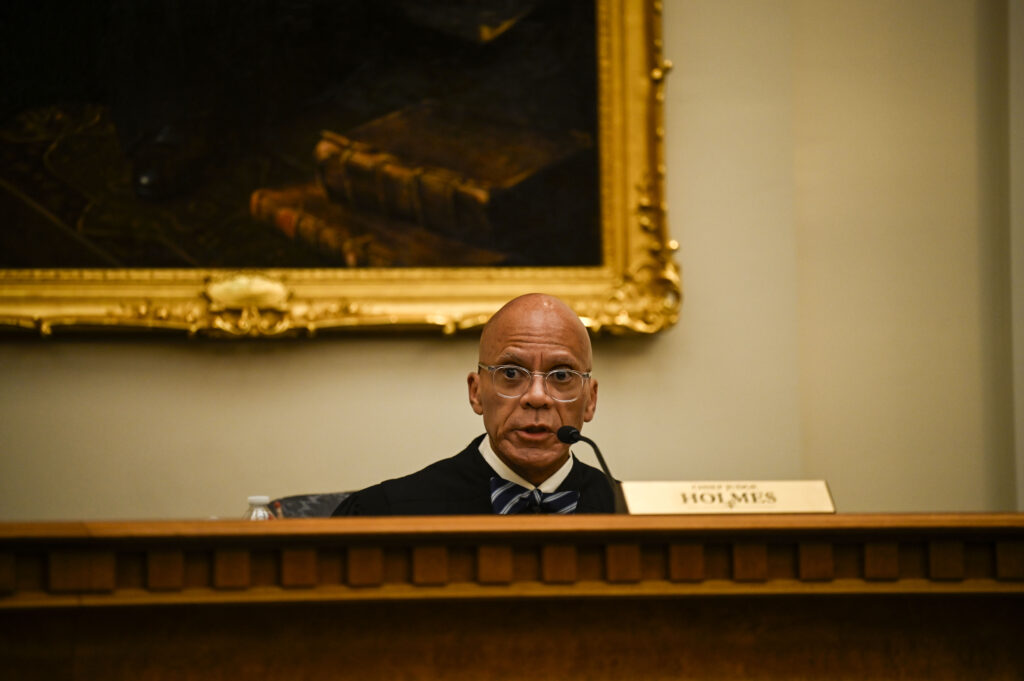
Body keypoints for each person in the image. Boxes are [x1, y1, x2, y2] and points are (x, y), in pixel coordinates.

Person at [333, 293, 615, 515]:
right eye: (511, 373)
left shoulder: (635, 514)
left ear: (590, 400)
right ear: (476, 392)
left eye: (562, 375)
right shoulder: (386, 513)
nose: (537, 397)